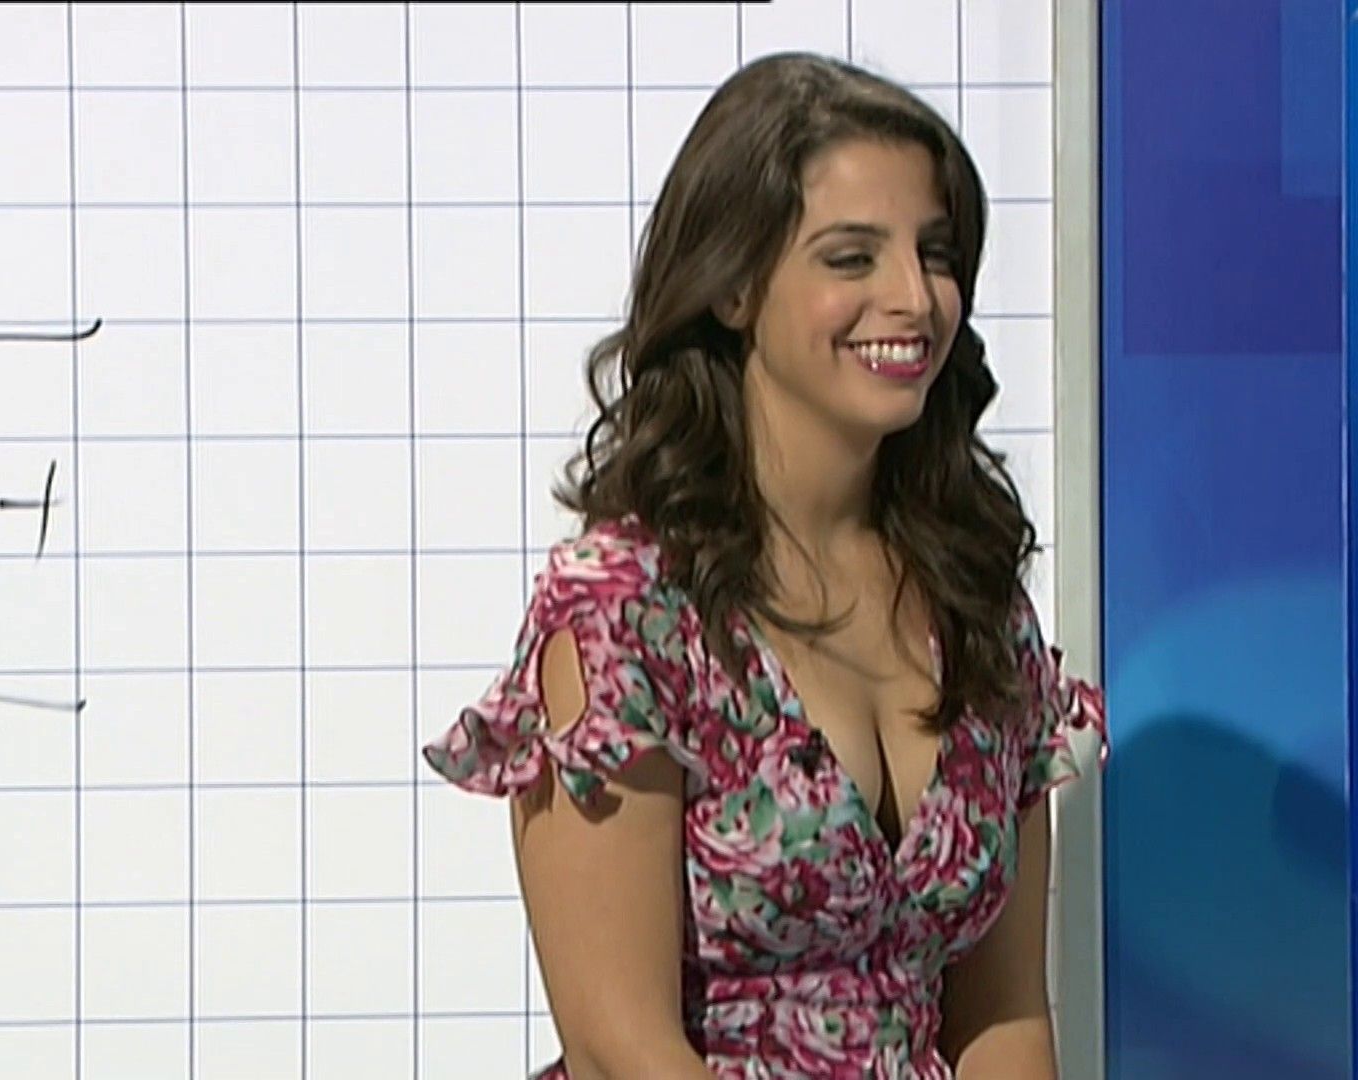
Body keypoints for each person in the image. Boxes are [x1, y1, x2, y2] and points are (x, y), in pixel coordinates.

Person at [422, 51, 1108, 1080]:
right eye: (852, 257)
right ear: (735, 286)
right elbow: (619, 1048)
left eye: (934, 253)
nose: (914, 298)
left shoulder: (978, 601)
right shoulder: (628, 612)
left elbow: (1003, 1017)